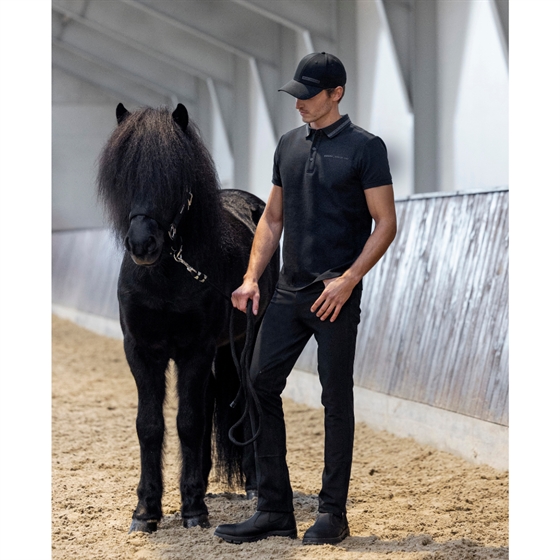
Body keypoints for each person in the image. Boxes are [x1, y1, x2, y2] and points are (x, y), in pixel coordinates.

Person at [214, 52, 397, 545]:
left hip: (335, 296)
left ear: (336, 94)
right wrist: (252, 277)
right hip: (288, 291)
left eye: (308, 96)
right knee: (258, 382)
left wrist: (349, 279)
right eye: (295, 95)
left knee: (335, 399)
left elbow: (385, 223)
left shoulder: (366, 148)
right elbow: (272, 219)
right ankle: (274, 509)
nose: (298, 104)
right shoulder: (288, 145)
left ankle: (333, 513)